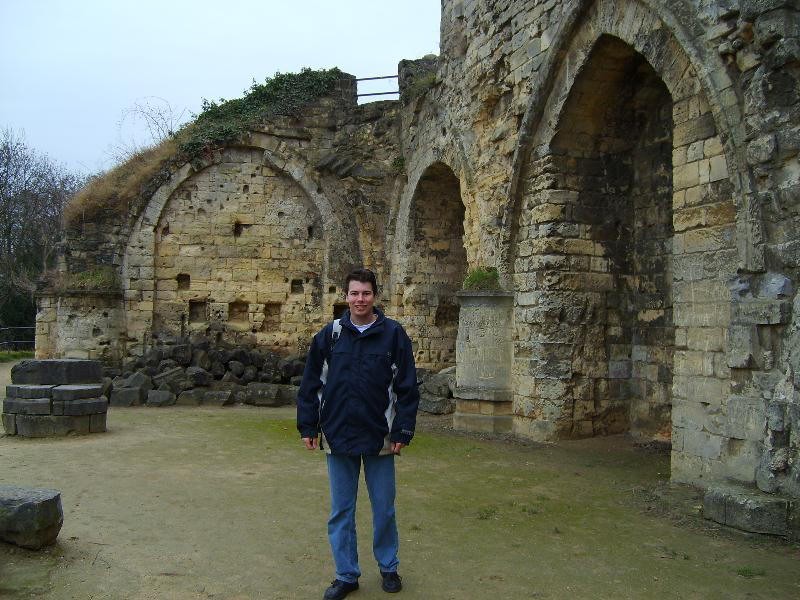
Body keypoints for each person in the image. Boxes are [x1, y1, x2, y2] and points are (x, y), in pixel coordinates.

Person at [297, 268, 420, 600]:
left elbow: (407, 388)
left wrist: (403, 429)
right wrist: (308, 425)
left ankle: (389, 567)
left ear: (375, 296)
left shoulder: (393, 335)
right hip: (338, 433)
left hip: (380, 434)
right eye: (354, 293)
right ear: (346, 296)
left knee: (384, 508)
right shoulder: (330, 336)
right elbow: (311, 384)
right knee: (341, 511)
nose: (360, 299)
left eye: (366, 293)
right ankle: (346, 574)